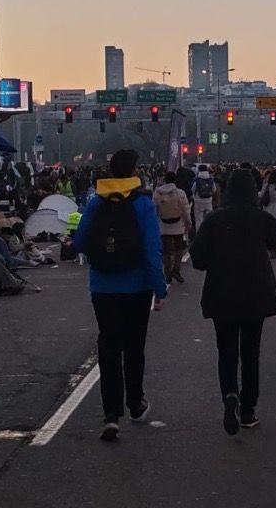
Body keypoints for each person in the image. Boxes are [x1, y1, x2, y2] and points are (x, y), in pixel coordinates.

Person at [73, 150, 168, 442]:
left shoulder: (95, 202)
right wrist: (159, 288)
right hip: (137, 287)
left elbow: (79, 241)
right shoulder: (143, 204)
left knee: (108, 347)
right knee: (134, 347)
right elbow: (152, 250)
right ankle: (135, 402)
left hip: (102, 287)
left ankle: (111, 414)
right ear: (135, 172)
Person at [191, 169, 276, 435]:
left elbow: (197, 257)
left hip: (222, 292)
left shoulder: (214, 220)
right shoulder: (261, 218)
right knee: (251, 354)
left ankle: (230, 395)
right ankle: (248, 408)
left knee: (227, 352)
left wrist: (216, 261)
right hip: (256, 293)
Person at [153, 172, 193, 283]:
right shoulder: (180, 193)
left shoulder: (158, 193)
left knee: (166, 251)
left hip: (163, 224)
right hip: (178, 224)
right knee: (179, 249)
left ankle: (167, 273)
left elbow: (154, 210)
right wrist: (188, 223)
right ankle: (176, 269)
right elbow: (185, 210)